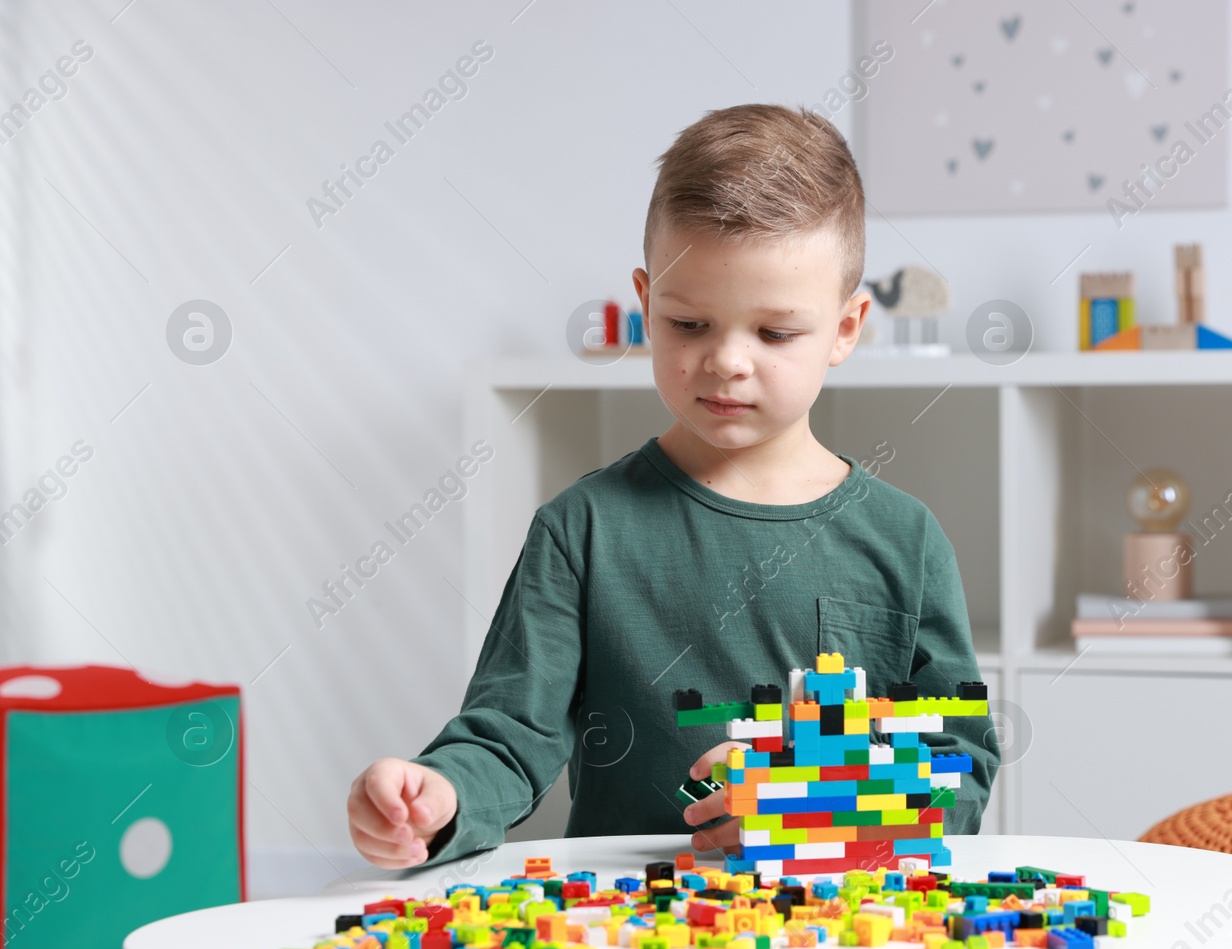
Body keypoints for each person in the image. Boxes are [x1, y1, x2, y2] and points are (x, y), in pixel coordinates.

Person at [346, 103, 1000, 870]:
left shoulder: (905, 539)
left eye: (775, 332)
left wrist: (826, 817)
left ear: (846, 329)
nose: (726, 360)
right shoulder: (580, 529)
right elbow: (509, 733)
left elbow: (961, 760)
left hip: (840, 935)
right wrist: (439, 794)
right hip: (631, 940)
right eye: (689, 323)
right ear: (646, 302)